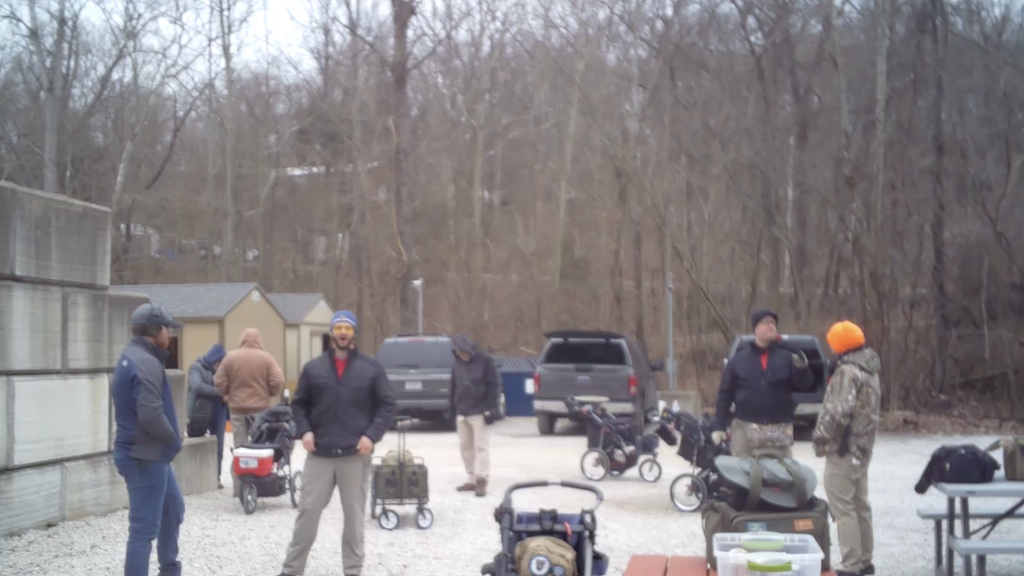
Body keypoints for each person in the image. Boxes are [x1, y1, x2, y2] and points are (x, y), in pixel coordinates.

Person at [279, 310, 396, 576]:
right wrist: (304, 431)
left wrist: (371, 436)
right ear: (331, 332)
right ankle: (291, 570)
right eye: (338, 328)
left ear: (354, 333)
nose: (343, 332)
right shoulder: (313, 368)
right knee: (308, 512)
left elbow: (387, 404)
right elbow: (298, 404)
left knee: (354, 519)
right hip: (319, 454)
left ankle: (352, 570)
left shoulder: (371, 368)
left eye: (348, 328)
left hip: (354, 455)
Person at [110, 302, 185, 576]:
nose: (170, 334)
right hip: (144, 457)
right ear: (155, 330)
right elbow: (151, 414)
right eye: (167, 329)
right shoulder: (146, 362)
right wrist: (174, 441)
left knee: (173, 509)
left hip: (151, 454)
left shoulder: (133, 356)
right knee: (143, 530)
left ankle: (169, 569)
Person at [813, 320, 880, 576]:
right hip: (862, 449)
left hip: (843, 449)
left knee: (843, 509)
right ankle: (865, 562)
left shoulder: (847, 372)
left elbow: (838, 412)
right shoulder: (869, 369)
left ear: (839, 345)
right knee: (860, 505)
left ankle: (851, 566)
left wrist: (820, 437)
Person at [712, 309, 813, 458]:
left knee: (780, 471)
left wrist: (802, 367)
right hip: (745, 430)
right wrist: (719, 426)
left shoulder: (786, 357)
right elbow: (725, 394)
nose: (771, 326)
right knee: (743, 471)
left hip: (779, 429)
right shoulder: (739, 360)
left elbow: (804, 385)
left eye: (773, 323)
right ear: (756, 328)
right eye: (766, 323)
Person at [215, 327, 285, 496]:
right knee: (259, 448)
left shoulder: (231, 358)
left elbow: (219, 381)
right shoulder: (266, 358)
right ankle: (259, 486)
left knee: (239, 448)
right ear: (259, 341)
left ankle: (239, 489)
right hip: (261, 411)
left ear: (242, 340)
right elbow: (278, 381)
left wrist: (228, 393)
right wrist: (268, 393)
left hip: (237, 409)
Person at [448, 333, 502, 497]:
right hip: (462, 411)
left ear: (469, 349)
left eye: (464, 352)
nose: (462, 355)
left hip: (479, 411)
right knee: (465, 447)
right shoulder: (456, 365)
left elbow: (494, 385)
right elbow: (453, 387)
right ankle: (471, 477)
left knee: (481, 446)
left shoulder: (485, 361)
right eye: (459, 353)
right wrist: (451, 409)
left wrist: (490, 408)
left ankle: (482, 478)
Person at [186, 343, 228, 488]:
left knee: (219, 445)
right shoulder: (196, 367)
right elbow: (197, 386)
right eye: (219, 362)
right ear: (214, 359)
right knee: (196, 442)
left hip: (219, 411)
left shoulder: (223, 370)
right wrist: (220, 392)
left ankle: (215, 478)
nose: (220, 365)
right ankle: (194, 477)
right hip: (199, 411)